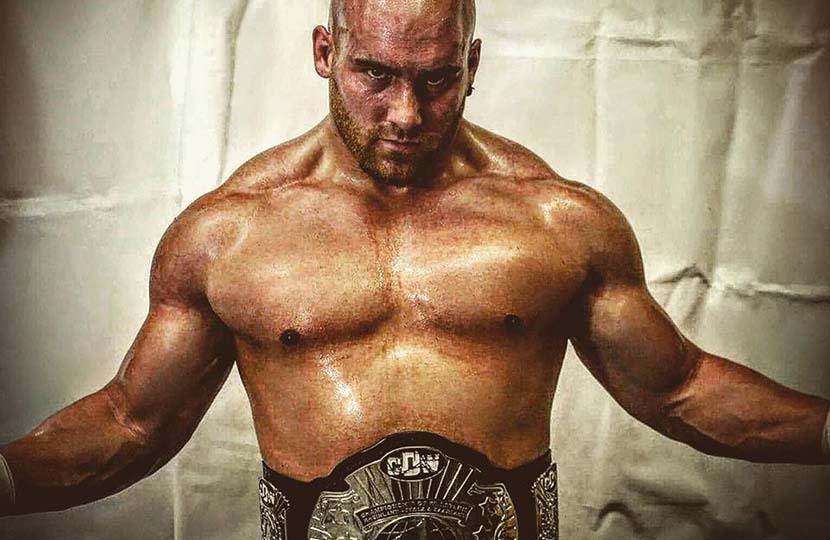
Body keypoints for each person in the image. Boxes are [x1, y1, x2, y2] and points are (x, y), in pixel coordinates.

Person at [1, 0, 828, 538]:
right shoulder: (230, 235)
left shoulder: (556, 221)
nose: (406, 114)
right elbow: (132, 424)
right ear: (325, 50)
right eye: (376, 74)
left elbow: (679, 389)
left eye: (437, 80)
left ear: (472, 65)